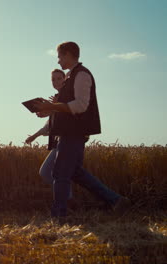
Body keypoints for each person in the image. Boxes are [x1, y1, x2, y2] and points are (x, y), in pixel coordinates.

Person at [33, 41, 131, 220]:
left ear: (69, 54)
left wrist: (52, 105)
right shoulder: (70, 77)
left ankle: (59, 216)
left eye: (60, 56)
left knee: (60, 173)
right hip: (69, 133)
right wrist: (48, 109)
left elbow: (80, 106)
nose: (58, 60)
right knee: (75, 172)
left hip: (74, 133)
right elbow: (65, 108)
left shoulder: (82, 75)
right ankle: (116, 200)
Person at [25, 69, 75, 200]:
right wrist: (34, 136)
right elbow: (50, 125)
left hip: (68, 139)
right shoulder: (56, 99)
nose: (56, 81)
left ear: (65, 80)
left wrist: (50, 109)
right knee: (53, 173)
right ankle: (67, 199)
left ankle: (67, 199)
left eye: (59, 78)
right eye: (53, 79)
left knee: (47, 172)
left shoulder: (67, 97)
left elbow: (68, 115)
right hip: (59, 141)